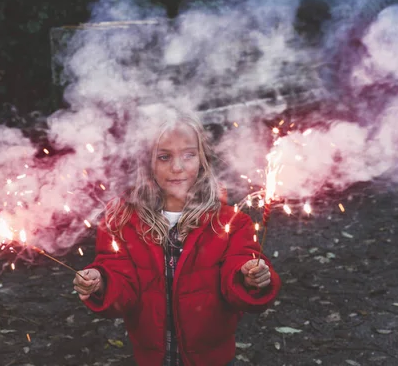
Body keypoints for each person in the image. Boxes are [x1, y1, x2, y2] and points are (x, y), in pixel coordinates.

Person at [73, 111, 281, 366]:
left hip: (212, 359)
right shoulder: (120, 221)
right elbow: (120, 281)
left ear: (202, 159)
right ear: (147, 163)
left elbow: (237, 274)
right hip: (151, 358)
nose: (177, 167)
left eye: (188, 155)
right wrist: (101, 282)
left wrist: (251, 276)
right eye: (164, 157)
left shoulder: (231, 222)